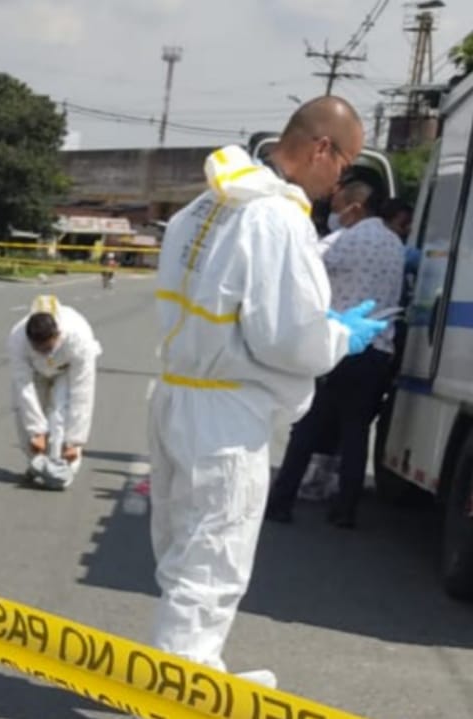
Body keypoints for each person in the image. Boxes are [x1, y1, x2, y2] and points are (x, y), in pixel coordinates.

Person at [147, 96, 388, 684]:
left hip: (177, 393)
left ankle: (174, 666)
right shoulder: (276, 218)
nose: (341, 182)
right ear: (320, 149)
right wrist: (337, 336)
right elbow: (286, 336)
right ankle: (183, 683)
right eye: (345, 163)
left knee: (183, 545)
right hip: (226, 411)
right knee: (215, 553)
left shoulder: (209, 202)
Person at [267, 181, 406, 528]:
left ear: (355, 209)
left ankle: (281, 503)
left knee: (308, 427)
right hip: (377, 350)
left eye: (339, 206)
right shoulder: (396, 245)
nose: (335, 215)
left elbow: (301, 273)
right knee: (356, 433)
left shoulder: (342, 241)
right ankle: (345, 511)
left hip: (338, 344)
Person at [8, 294, 102, 490]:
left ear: (58, 334)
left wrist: (75, 440)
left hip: (67, 370)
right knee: (23, 413)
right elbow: (23, 385)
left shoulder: (78, 337)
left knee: (60, 414)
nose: (46, 353)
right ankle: (37, 463)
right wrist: (36, 431)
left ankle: (64, 468)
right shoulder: (17, 338)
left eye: (49, 347)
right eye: (39, 349)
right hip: (36, 372)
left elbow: (83, 392)